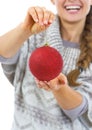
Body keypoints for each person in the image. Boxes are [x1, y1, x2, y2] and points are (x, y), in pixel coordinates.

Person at [0, 0, 92, 130]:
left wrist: (59, 88)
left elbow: (81, 109)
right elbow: (2, 54)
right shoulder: (35, 34)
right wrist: (24, 30)